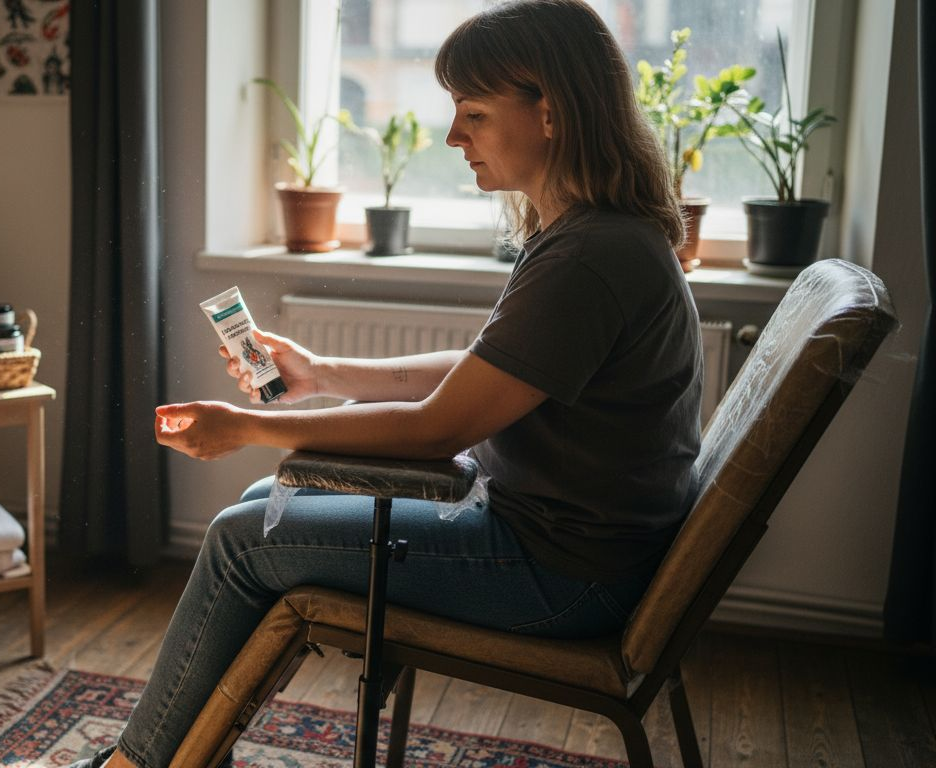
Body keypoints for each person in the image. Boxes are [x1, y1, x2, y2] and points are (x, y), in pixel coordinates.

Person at [67, 1, 701, 766]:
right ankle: (188, 753)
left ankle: (138, 763)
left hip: (562, 574)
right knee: (259, 509)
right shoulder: (587, 235)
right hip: (562, 546)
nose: (453, 136)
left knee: (242, 540)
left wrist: (248, 425)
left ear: (551, 113)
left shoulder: (587, 258)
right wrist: (321, 374)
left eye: (473, 112)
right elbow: (483, 373)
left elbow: (439, 428)